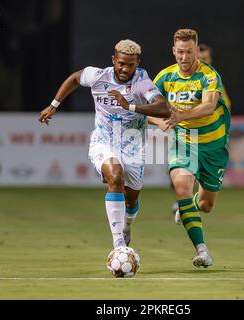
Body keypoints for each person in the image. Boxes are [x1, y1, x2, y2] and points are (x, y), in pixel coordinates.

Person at [39, 40, 170, 249]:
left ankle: (126, 226)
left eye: (130, 65)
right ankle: (118, 245)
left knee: (131, 202)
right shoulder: (98, 75)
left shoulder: (142, 81)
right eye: (121, 63)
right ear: (113, 60)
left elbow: (164, 108)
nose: (125, 69)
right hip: (104, 141)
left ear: (138, 63)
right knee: (115, 175)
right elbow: (75, 78)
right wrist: (54, 104)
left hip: (133, 146)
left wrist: (130, 106)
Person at [148, 29, 231, 268]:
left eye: (189, 52)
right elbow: (149, 110)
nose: (184, 58)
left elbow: (208, 106)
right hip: (184, 140)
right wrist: (160, 120)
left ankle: (190, 207)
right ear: (173, 51)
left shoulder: (209, 75)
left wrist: (178, 115)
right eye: (180, 52)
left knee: (206, 205)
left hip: (213, 145)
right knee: (182, 187)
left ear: (197, 51)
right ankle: (202, 251)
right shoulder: (164, 77)